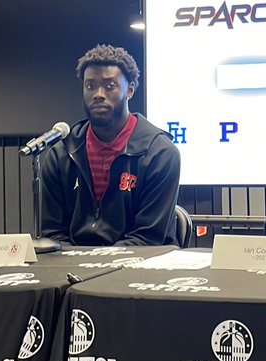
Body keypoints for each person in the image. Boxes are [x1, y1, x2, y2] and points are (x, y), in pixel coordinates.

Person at [41, 44, 181, 246]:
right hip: (73, 267)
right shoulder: (60, 154)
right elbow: (53, 235)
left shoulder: (160, 153)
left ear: (130, 90)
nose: (98, 94)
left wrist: (98, 265)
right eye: (90, 86)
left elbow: (148, 238)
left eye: (109, 86)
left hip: (140, 267)